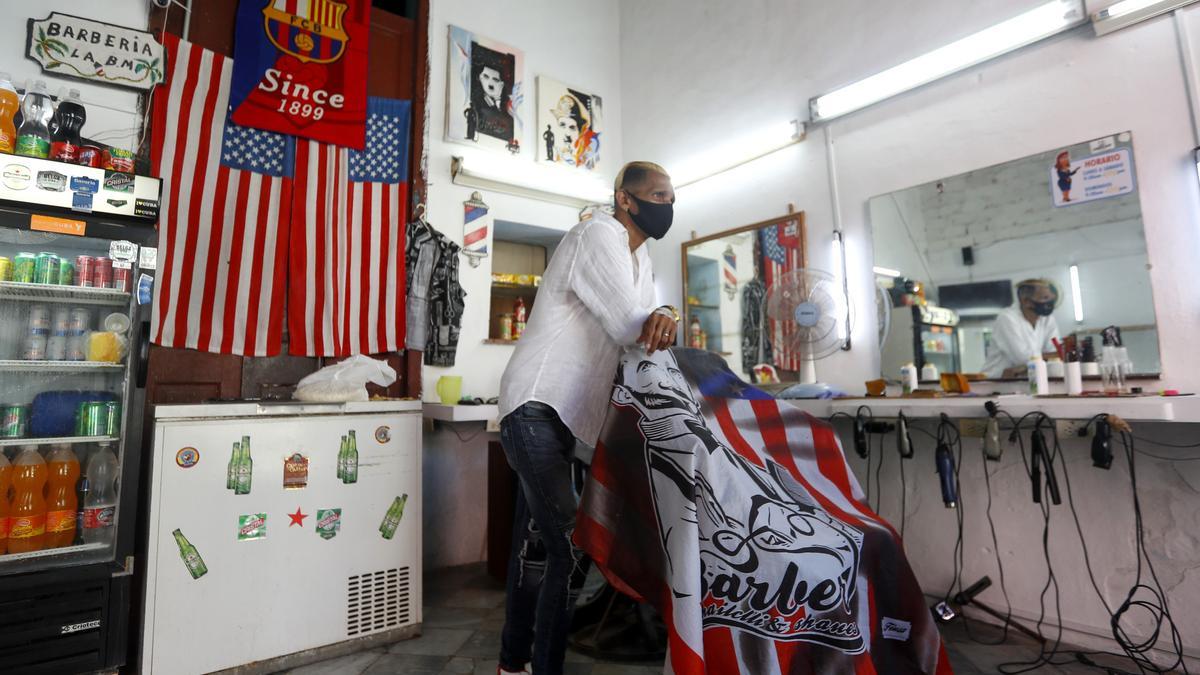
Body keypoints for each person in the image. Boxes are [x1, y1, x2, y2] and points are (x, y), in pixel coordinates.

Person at [496, 161, 679, 675]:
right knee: (572, 549)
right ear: (625, 198)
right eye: (658, 194)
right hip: (536, 405)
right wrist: (661, 317)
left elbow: (643, 333)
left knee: (535, 550)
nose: (667, 204)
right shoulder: (597, 233)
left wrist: (664, 312)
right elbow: (630, 326)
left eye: (671, 196)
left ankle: (513, 665)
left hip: (564, 419)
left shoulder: (640, 260)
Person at [982, 279, 1062, 378]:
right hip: (996, 382)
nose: (1050, 302)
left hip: (1026, 379)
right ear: (1026, 301)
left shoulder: (1048, 319)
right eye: (1045, 298)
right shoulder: (1007, 318)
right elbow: (1023, 358)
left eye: (1051, 298)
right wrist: (1047, 357)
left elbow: (1056, 354)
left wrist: (1048, 357)